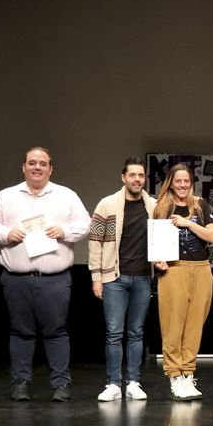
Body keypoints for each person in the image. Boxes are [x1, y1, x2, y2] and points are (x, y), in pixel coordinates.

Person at [0, 147, 91, 402]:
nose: (37, 167)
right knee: (20, 332)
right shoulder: (5, 196)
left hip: (55, 279)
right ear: (23, 167)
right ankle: (20, 383)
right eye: (32, 163)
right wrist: (5, 234)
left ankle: (61, 385)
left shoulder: (67, 195)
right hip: (16, 279)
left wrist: (63, 231)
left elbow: (85, 223)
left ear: (51, 168)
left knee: (57, 332)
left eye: (43, 163)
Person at [89, 157, 156, 401]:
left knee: (136, 331)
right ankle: (113, 383)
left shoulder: (153, 206)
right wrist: (96, 277)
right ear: (123, 177)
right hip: (113, 277)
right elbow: (95, 242)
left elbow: (161, 240)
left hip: (142, 277)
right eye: (133, 175)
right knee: (114, 332)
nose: (137, 179)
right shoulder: (107, 205)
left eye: (141, 175)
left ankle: (134, 382)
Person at [152, 163, 213, 400]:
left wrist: (189, 222)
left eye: (186, 181)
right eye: (178, 181)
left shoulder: (200, 206)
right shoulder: (162, 207)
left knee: (194, 325)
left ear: (191, 183)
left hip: (201, 269)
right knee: (173, 324)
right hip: (174, 269)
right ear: (171, 182)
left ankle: (188, 373)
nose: (182, 185)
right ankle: (174, 375)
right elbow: (155, 242)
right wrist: (157, 262)